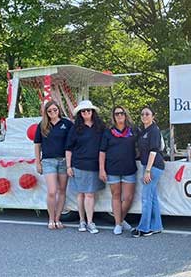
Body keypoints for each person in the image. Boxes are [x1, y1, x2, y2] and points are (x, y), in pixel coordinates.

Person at [65, 100, 105, 234]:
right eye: (83, 111)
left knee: (89, 194)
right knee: (81, 194)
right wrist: (68, 166)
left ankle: (89, 222)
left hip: (95, 165)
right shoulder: (75, 128)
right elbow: (69, 149)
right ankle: (83, 221)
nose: (86, 113)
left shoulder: (100, 127)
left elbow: (105, 147)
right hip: (79, 165)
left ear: (92, 112)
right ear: (80, 114)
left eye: (88, 110)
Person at [34, 100, 73, 230]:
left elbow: (73, 142)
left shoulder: (66, 124)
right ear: (46, 112)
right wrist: (37, 162)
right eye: (49, 111)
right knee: (52, 191)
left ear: (58, 110)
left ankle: (57, 218)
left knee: (62, 191)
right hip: (48, 161)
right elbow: (37, 145)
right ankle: (50, 219)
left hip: (64, 161)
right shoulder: (42, 125)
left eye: (55, 110)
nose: (52, 113)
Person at [99, 106, 137, 235]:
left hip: (129, 168)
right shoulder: (108, 133)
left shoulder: (133, 131)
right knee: (116, 196)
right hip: (112, 169)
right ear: (113, 116)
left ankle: (119, 220)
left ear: (125, 115)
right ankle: (118, 224)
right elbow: (102, 152)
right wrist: (101, 169)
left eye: (122, 113)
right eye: (117, 114)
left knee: (128, 197)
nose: (119, 115)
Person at [132, 106, 165, 238]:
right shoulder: (143, 131)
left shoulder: (154, 130)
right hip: (149, 166)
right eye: (142, 114)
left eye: (147, 114)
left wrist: (147, 170)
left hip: (153, 167)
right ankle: (156, 226)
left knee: (146, 198)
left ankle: (145, 228)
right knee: (152, 198)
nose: (144, 116)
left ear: (153, 116)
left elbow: (154, 151)